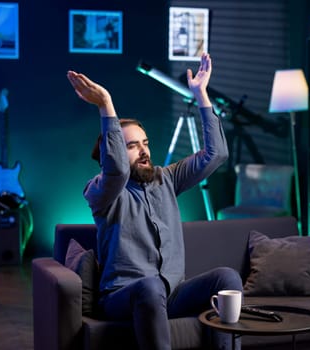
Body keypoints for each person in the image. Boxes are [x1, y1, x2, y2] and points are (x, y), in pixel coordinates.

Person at [66, 53, 242, 350]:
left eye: (145, 143)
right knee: (149, 286)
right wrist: (105, 104)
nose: (144, 151)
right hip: (124, 296)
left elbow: (216, 155)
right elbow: (118, 170)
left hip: (171, 294)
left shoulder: (167, 178)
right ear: (114, 153)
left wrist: (201, 95)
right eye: (132, 146)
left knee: (226, 278)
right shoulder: (100, 191)